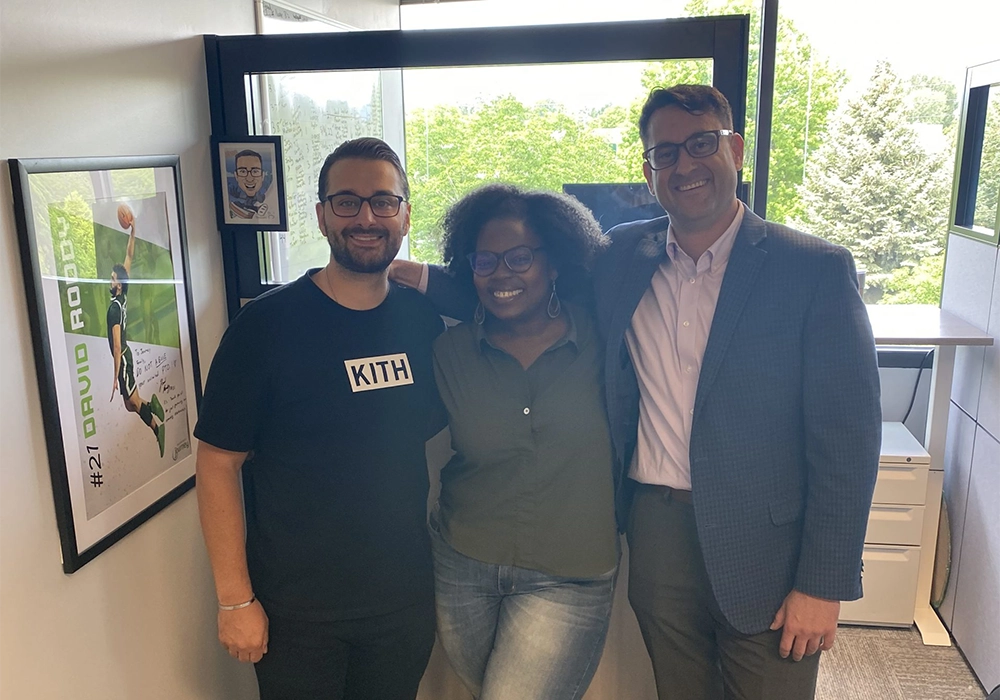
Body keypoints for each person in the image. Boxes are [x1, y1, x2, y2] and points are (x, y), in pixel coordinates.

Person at [592, 84, 881, 699]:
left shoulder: (813, 268)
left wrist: (823, 582)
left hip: (770, 546)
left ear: (737, 150)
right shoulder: (620, 255)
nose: (685, 165)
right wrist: (422, 278)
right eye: (664, 153)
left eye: (701, 144)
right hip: (658, 534)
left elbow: (848, 440)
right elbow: (519, 274)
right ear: (648, 172)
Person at [194, 137, 445, 700]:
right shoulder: (265, 327)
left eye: (384, 201)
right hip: (296, 612)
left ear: (405, 215)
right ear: (322, 215)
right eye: (347, 202)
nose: (366, 217)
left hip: (402, 602)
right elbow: (216, 461)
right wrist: (235, 600)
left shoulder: (421, 321)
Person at [428, 184, 619, 700]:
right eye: (485, 261)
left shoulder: (607, 340)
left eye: (519, 258)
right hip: (462, 561)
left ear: (554, 264)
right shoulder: (449, 351)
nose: (501, 274)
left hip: (570, 572)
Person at [107, 204, 165, 458]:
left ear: (118, 284)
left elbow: (117, 346)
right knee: (130, 405)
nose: (110, 282)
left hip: (124, 356)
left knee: (131, 402)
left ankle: (156, 427)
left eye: (112, 279)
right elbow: (128, 258)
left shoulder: (113, 309)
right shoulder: (124, 294)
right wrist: (133, 232)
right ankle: (152, 407)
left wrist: (115, 375)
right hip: (125, 356)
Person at [228, 149, 270, 219]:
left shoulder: (267, 194)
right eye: (243, 171)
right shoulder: (232, 195)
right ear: (236, 176)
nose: (249, 178)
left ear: (262, 175)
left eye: (255, 171)